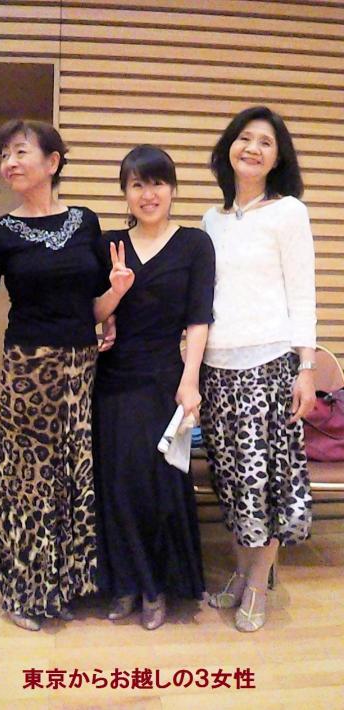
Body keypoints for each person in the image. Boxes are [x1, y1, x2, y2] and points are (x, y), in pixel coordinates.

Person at [0, 119, 131, 631]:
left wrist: (117, 293)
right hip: (29, 367)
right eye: (4, 154)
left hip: (81, 365)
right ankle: (23, 591)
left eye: (20, 152)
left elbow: (92, 307)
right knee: (28, 480)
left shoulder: (85, 222)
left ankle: (61, 584)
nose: (9, 162)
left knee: (71, 474)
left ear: (52, 162)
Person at [200, 105, 316, 632]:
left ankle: (256, 585)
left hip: (267, 366)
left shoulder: (288, 212)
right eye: (245, 138)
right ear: (229, 147)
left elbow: (303, 293)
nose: (252, 148)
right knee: (230, 482)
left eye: (265, 142)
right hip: (215, 369)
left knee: (262, 483)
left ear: (277, 158)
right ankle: (243, 570)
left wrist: (306, 367)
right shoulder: (212, 220)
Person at [93, 144, 215, 630]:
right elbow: (94, 313)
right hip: (113, 379)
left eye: (157, 183)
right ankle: (124, 583)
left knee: (158, 485)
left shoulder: (195, 244)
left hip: (166, 379)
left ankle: (156, 587)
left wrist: (191, 381)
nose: (148, 194)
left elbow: (200, 317)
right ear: (125, 192)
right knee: (117, 484)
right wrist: (115, 291)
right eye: (137, 184)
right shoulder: (109, 244)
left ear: (172, 189)